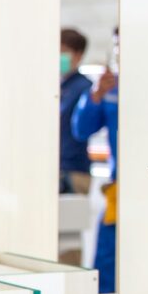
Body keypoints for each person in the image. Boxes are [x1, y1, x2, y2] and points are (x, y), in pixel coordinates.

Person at [73, 27, 119, 294]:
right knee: (106, 261)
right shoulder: (110, 88)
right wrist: (95, 95)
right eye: (116, 46)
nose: (119, 52)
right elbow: (80, 129)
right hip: (117, 192)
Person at [60, 28, 93, 194]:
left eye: (64, 51)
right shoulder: (56, 86)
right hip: (55, 167)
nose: (59, 56)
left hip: (74, 170)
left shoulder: (84, 87)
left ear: (78, 55)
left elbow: (82, 128)